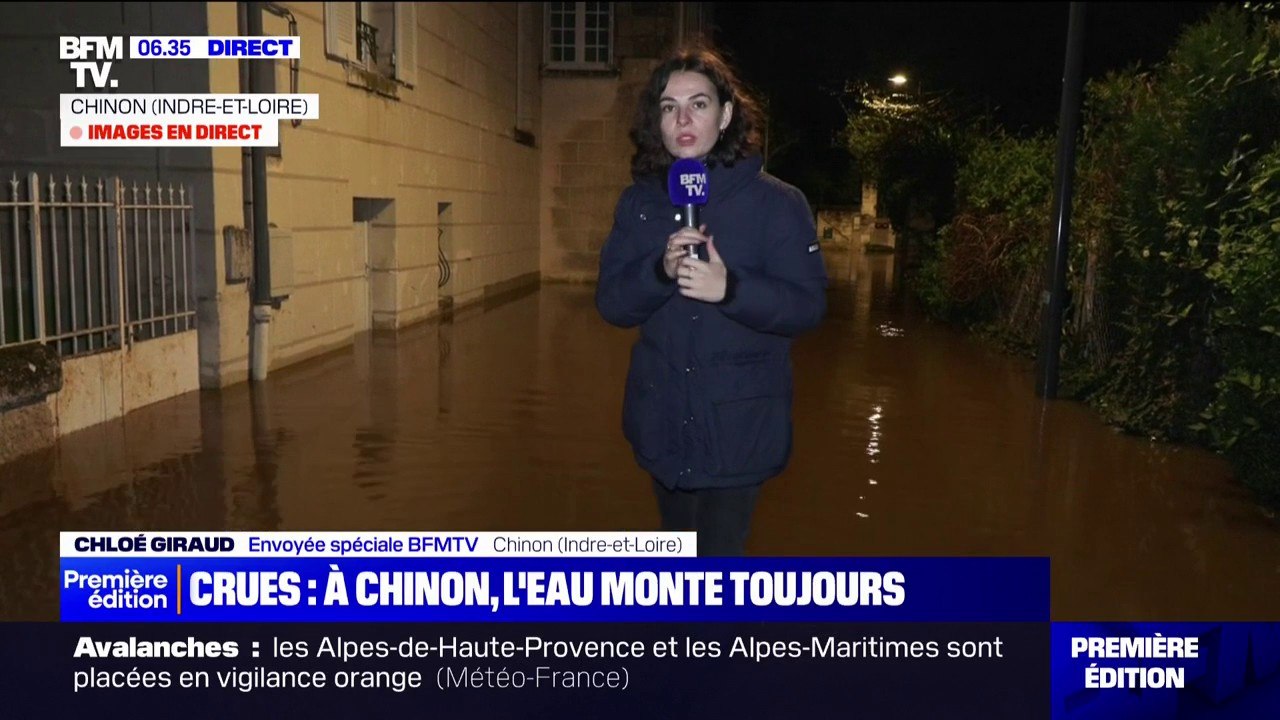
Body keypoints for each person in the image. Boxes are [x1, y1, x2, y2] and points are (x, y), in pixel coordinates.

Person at [595, 43, 828, 556]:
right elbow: (611, 304)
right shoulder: (639, 203)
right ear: (655, 121)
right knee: (678, 557)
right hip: (661, 422)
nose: (682, 118)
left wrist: (732, 290)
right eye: (668, 106)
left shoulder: (778, 204)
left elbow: (808, 308)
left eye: (698, 103)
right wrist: (659, 271)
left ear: (725, 115)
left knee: (718, 568)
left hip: (739, 428)